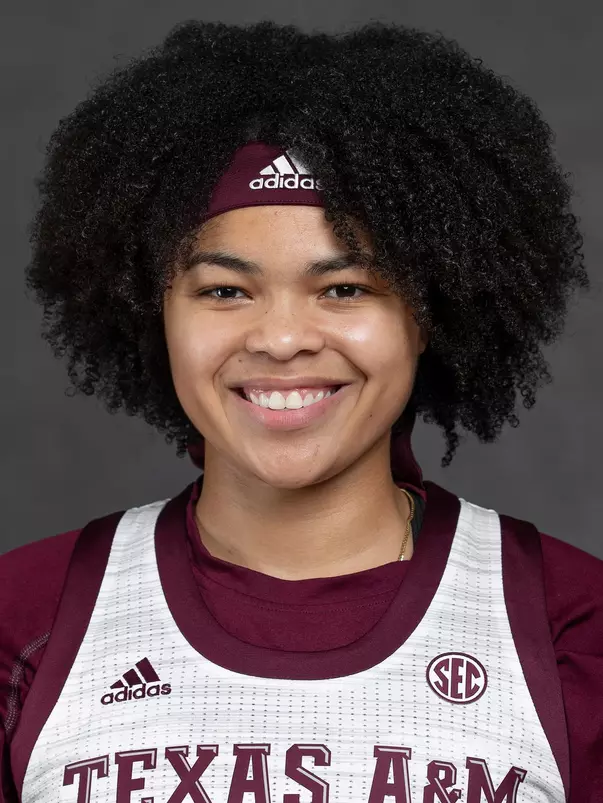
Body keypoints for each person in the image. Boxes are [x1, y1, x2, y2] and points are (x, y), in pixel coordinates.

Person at [1, 18, 600, 803]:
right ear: (154, 314)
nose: (282, 338)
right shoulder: (27, 619)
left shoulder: (570, 625)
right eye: (224, 290)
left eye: (344, 288)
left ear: (428, 313)